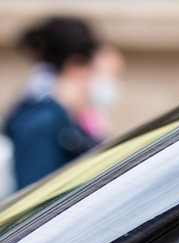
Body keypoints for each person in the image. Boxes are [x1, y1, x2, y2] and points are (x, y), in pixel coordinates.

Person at [4, 17, 106, 190]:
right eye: (96, 73)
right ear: (77, 66)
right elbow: (36, 200)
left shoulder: (63, 119)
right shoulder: (44, 122)